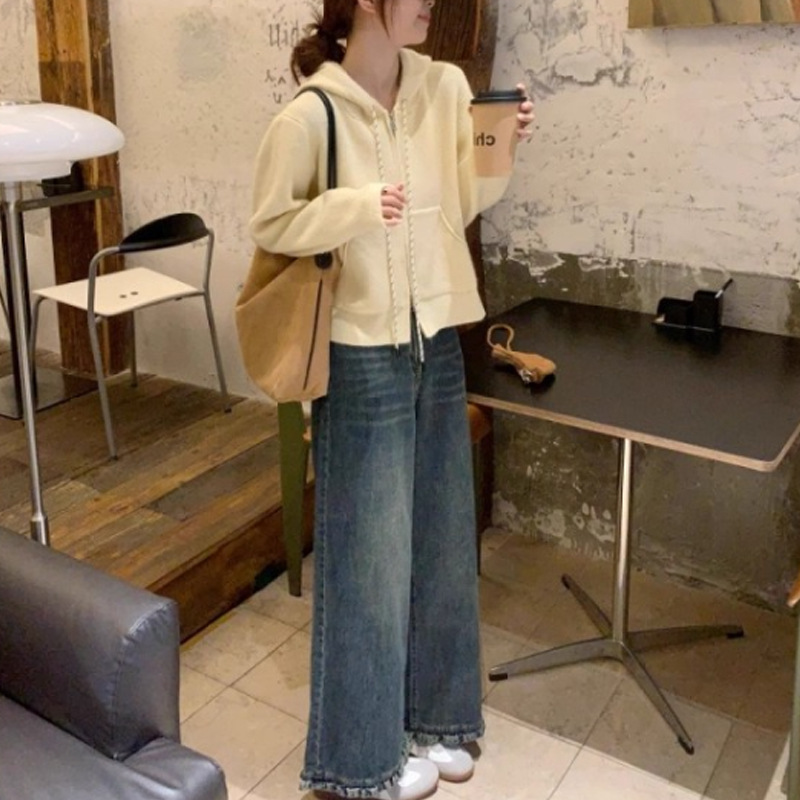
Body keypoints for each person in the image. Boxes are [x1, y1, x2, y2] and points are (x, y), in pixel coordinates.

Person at [249, 1, 534, 797]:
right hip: (358, 349)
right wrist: (354, 207)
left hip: (435, 336)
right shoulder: (311, 114)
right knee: (368, 557)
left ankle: (437, 719)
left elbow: (463, 203)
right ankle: (357, 762)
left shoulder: (444, 88)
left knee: (442, 540)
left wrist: (499, 143)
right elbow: (270, 222)